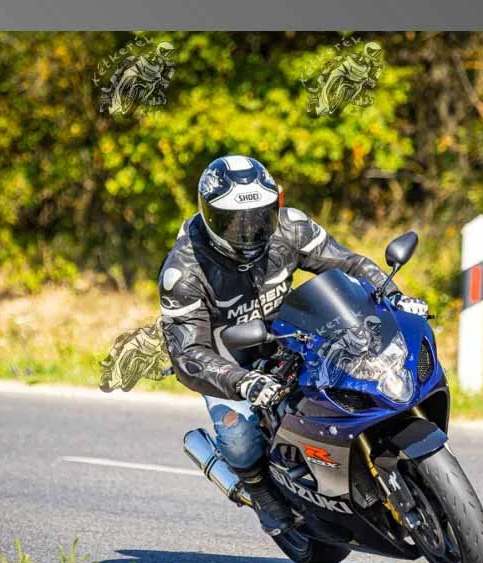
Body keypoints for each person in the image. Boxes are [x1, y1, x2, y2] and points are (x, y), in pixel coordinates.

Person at [158, 155, 428, 535]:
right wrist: (242, 381)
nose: (249, 232)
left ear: (276, 206)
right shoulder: (183, 271)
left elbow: (348, 264)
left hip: (288, 330)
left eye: (259, 217)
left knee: (355, 374)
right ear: (209, 216)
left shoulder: (293, 227)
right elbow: (187, 352)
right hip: (224, 355)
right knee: (239, 435)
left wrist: (394, 297)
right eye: (234, 222)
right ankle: (259, 489)